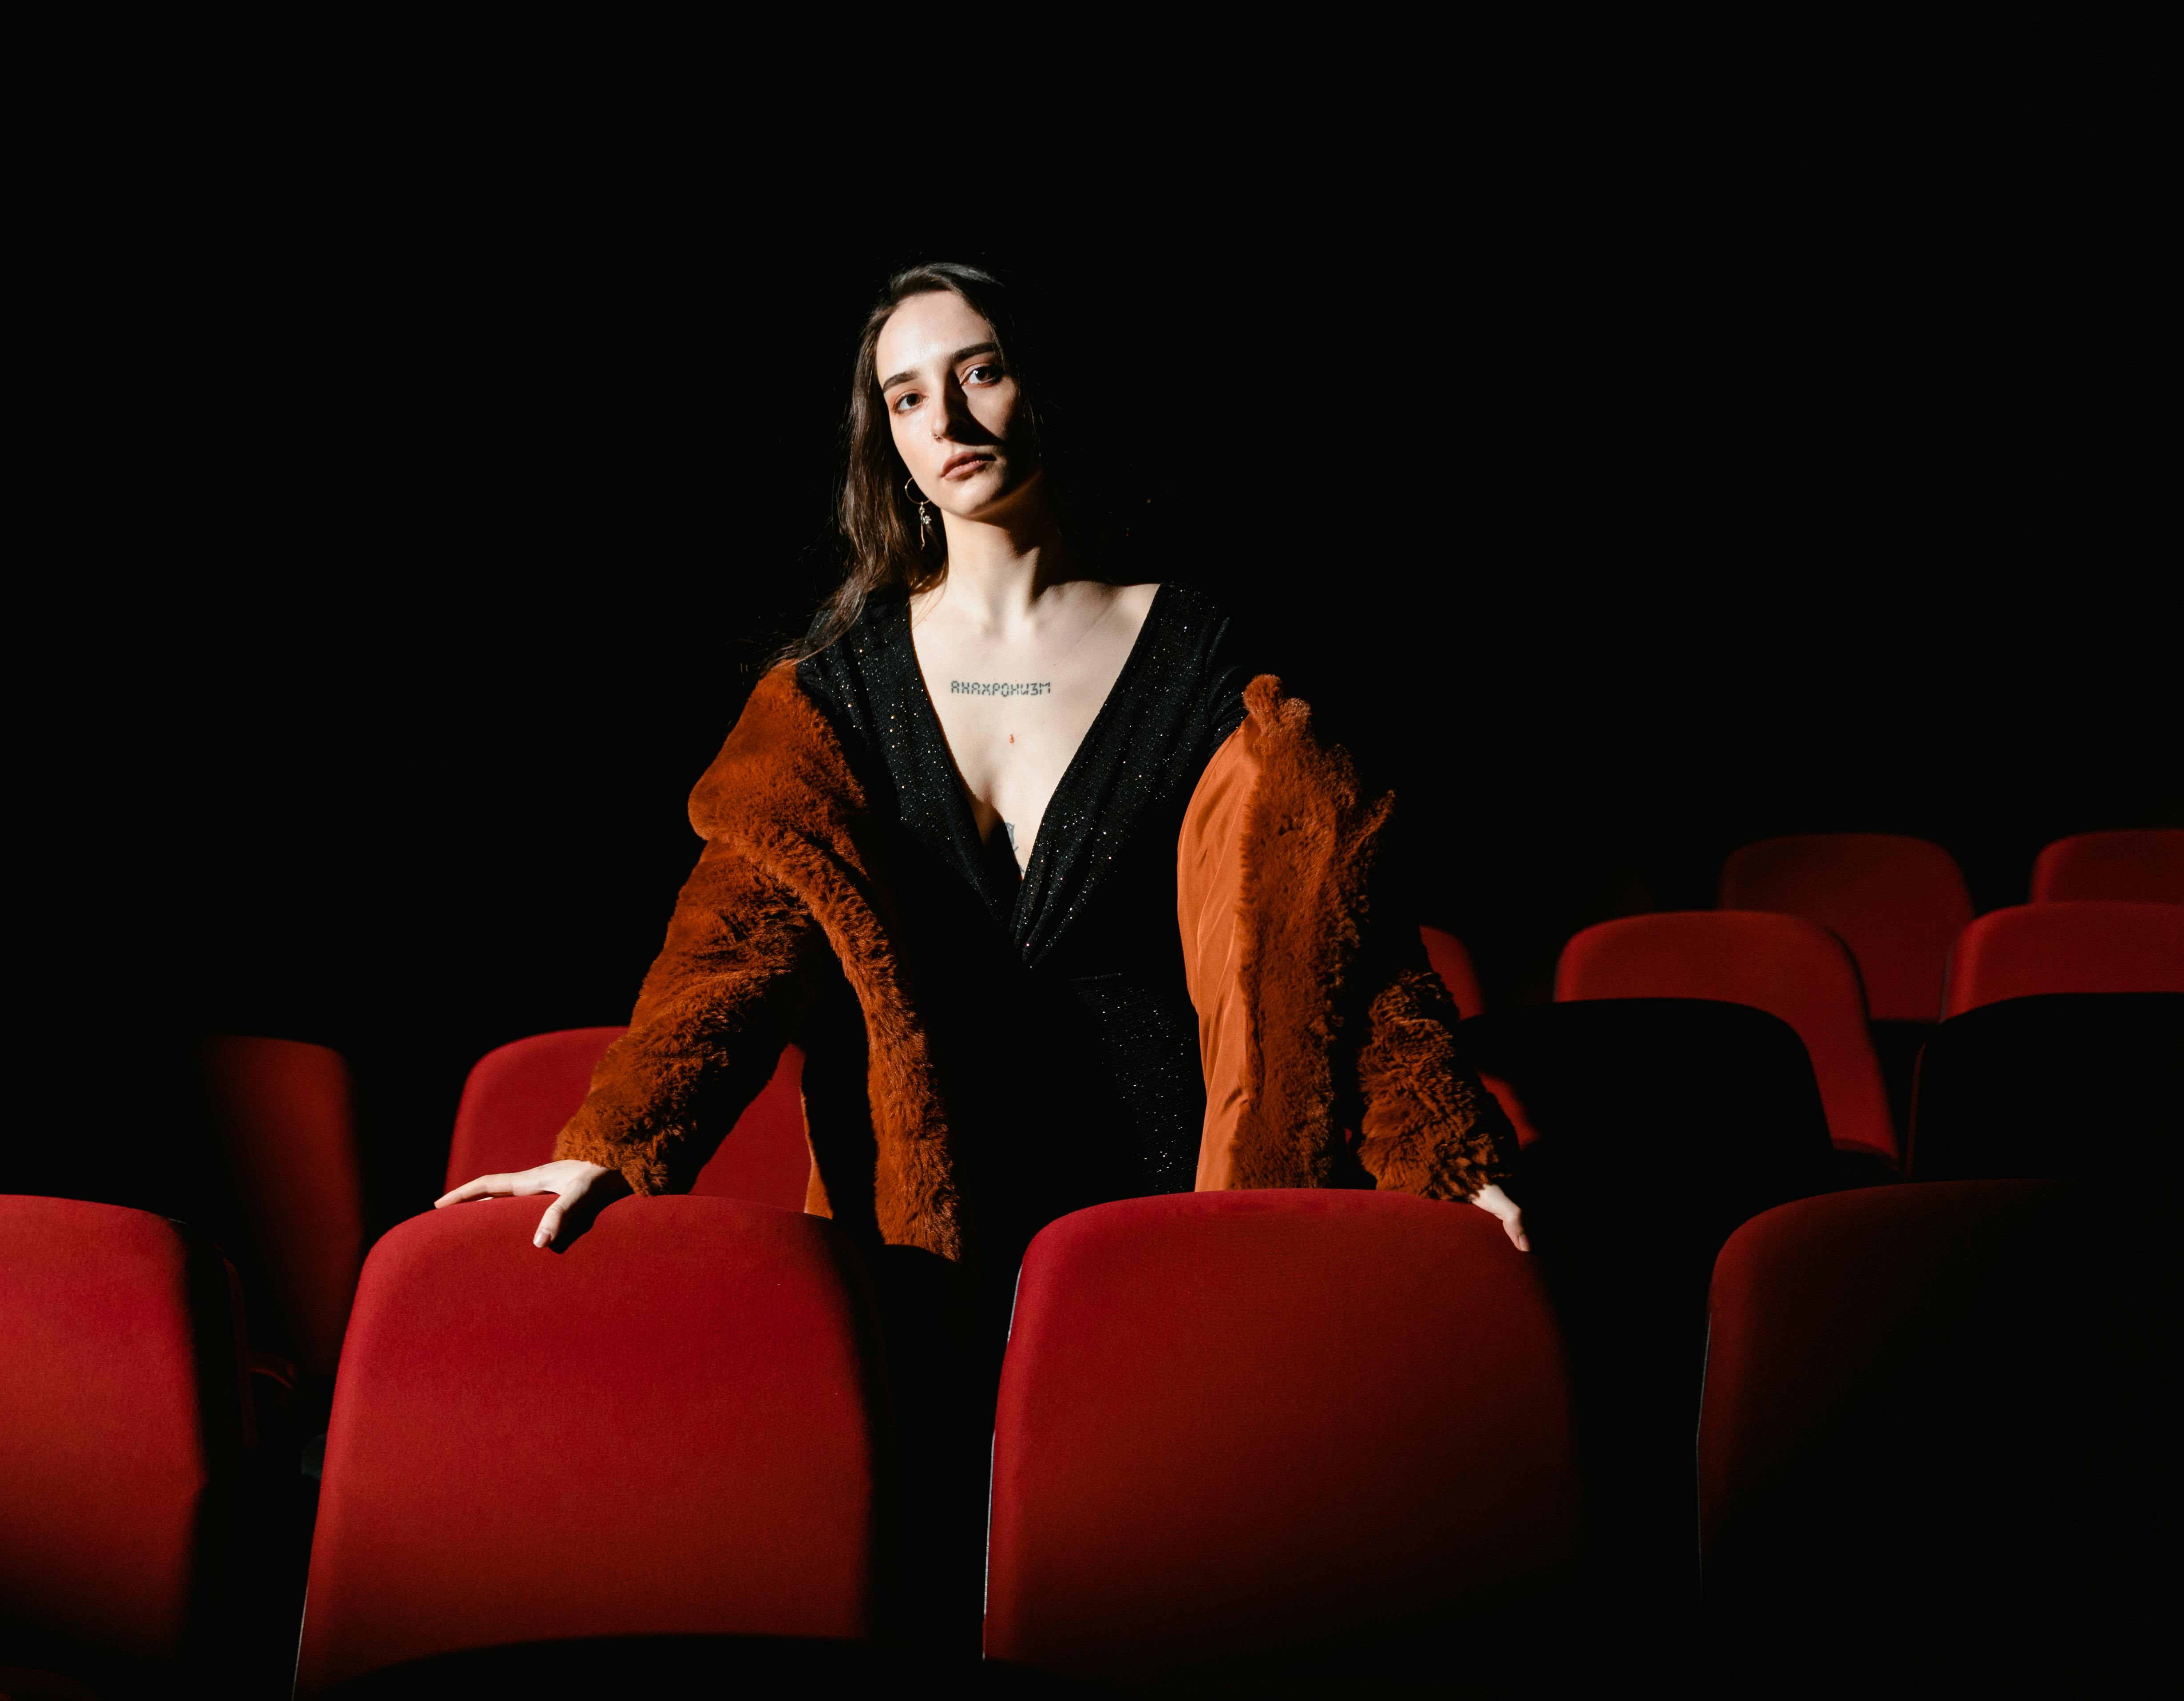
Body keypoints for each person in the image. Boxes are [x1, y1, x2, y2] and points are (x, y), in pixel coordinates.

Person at [437, 262, 1523, 1640]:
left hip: (1159, 1203)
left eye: (981, 370)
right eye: (905, 394)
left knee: (1158, 1583)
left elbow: (1332, 932)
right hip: (924, 1207)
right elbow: (731, 949)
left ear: (1041, 386)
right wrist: (614, 1140)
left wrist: (1448, 1157)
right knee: (932, 1581)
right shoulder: (825, 685)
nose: (947, 414)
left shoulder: (1197, 649)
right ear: (880, 438)